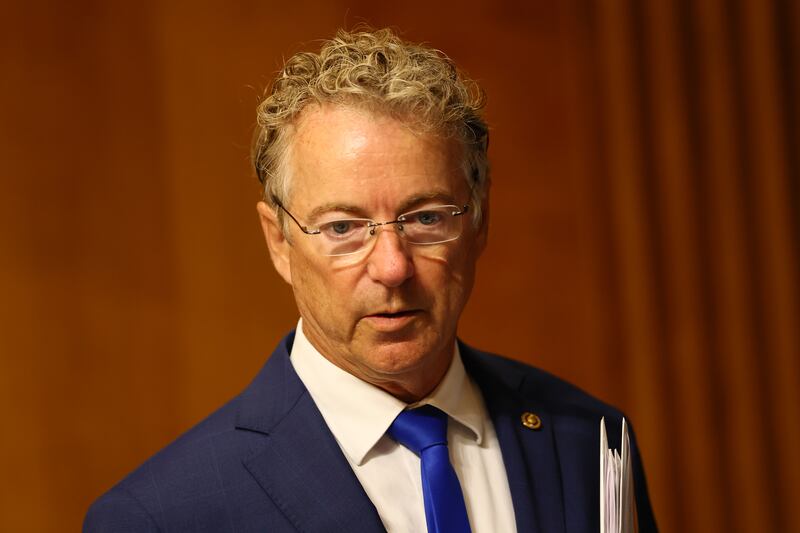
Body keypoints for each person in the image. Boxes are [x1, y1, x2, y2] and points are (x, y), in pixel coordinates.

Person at [85, 27, 657, 532]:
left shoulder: (591, 438)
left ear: (479, 220)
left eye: (427, 218)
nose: (391, 267)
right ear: (279, 241)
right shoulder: (163, 517)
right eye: (342, 227)